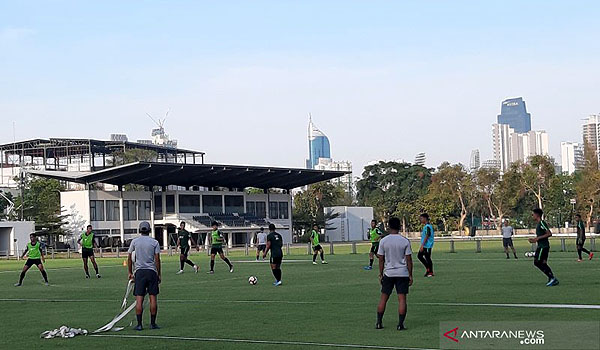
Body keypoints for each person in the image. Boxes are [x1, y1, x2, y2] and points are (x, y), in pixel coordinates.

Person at [375, 217, 413, 331]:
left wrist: (381, 274)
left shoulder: (384, 241)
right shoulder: (405, 241)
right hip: (402, 273)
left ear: (389, 227)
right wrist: (410, 275)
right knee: (402, 299)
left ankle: (379, 322)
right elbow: (409, 260)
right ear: (400, 226)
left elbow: (381, 259)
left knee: (383, 298)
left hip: (389, 273)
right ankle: (400, 324)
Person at [127, 221, 161, 331]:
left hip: (140, 272)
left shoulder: (135, 242)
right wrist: (158, 273)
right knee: (153, 298)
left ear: (140, 230)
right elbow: (157, 259)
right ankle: (152, 323)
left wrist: (130, 272)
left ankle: (139, 324)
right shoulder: (154, 242)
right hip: (151, 272)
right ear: (149, 230)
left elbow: (129, 258)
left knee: (139, 299)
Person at [529, 208, 559, 286]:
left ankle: (552, 278)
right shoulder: (539, 224)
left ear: (537, 215)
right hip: (543, 246)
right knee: (543, 263)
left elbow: (549, 233)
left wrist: (537, 238)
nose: (532, 216)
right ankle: (551, 278)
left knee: (537, 262)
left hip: (543, 247)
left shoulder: (542, 223)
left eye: (533, 214)